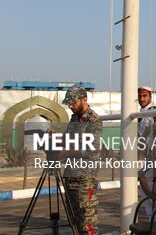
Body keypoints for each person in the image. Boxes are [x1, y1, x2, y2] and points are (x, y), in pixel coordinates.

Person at [61, 85, 102, 235]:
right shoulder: (74, 119)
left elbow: (91, 150)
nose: (71, 106)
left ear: (84, 99)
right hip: (70, 175)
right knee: (74, 220)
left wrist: (66, 153)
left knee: (87, 222)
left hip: (85, 179)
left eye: (74, 103)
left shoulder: (93, 120)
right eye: (69, 103)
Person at [137, 86, 156, 222]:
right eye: (140, 96)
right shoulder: (139, 114)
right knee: (145, 193)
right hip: (143, 160)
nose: (142, 99)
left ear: (150, 97)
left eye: (145, 96)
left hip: (155, 158)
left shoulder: (155, 113)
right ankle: (151, 222)